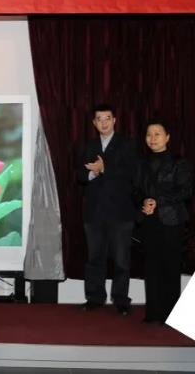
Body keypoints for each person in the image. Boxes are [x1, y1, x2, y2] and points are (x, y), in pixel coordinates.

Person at [77, 104, 138, 315]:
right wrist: (92, 173)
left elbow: (132, 174)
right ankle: (94, 298)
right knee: (94, 259)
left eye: (107, 118)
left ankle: (121, 300)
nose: (103, 123)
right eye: (99, 119)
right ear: (94, 123)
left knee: (121, 260)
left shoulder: (127, 145)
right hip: (94, 213)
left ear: (114, 120)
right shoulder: (89, 146)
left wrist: (105, 168)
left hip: (121, 212)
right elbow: (79, 175)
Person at [133, 119, 193, 324]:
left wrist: (157, 201)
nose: (152, 138)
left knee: (170, 266)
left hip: (172, 220)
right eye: (149, 134)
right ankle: (153, 312)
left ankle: (171, 314)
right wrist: (144, 201)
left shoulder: (179, 162)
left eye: (157, 134)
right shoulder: (141, 163)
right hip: (150, 220)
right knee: (151, 267)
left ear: (167, 137)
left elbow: (186, 191)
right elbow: (136, 190)